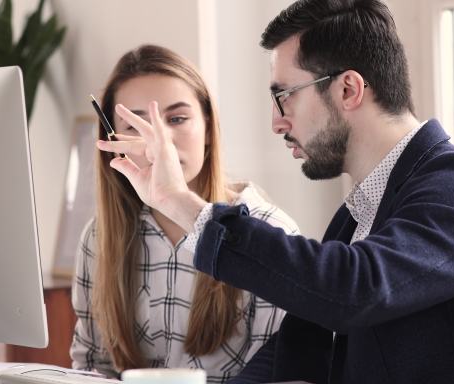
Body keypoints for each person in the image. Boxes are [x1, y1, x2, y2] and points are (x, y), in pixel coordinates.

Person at [97, 0, 454, 383]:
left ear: (348, 88)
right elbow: (300, 344)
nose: (277, 122)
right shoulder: (359, 214)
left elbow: (353, 290)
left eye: (284, 96)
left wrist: (179, 201)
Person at [70, 45, 299, 383]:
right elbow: (91, 365)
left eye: (177, 119)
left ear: (208, 128)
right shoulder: (99, 238)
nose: (161, 142)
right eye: (135, 126)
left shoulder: (267, 230)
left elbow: (277, 369)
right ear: (112, 140)